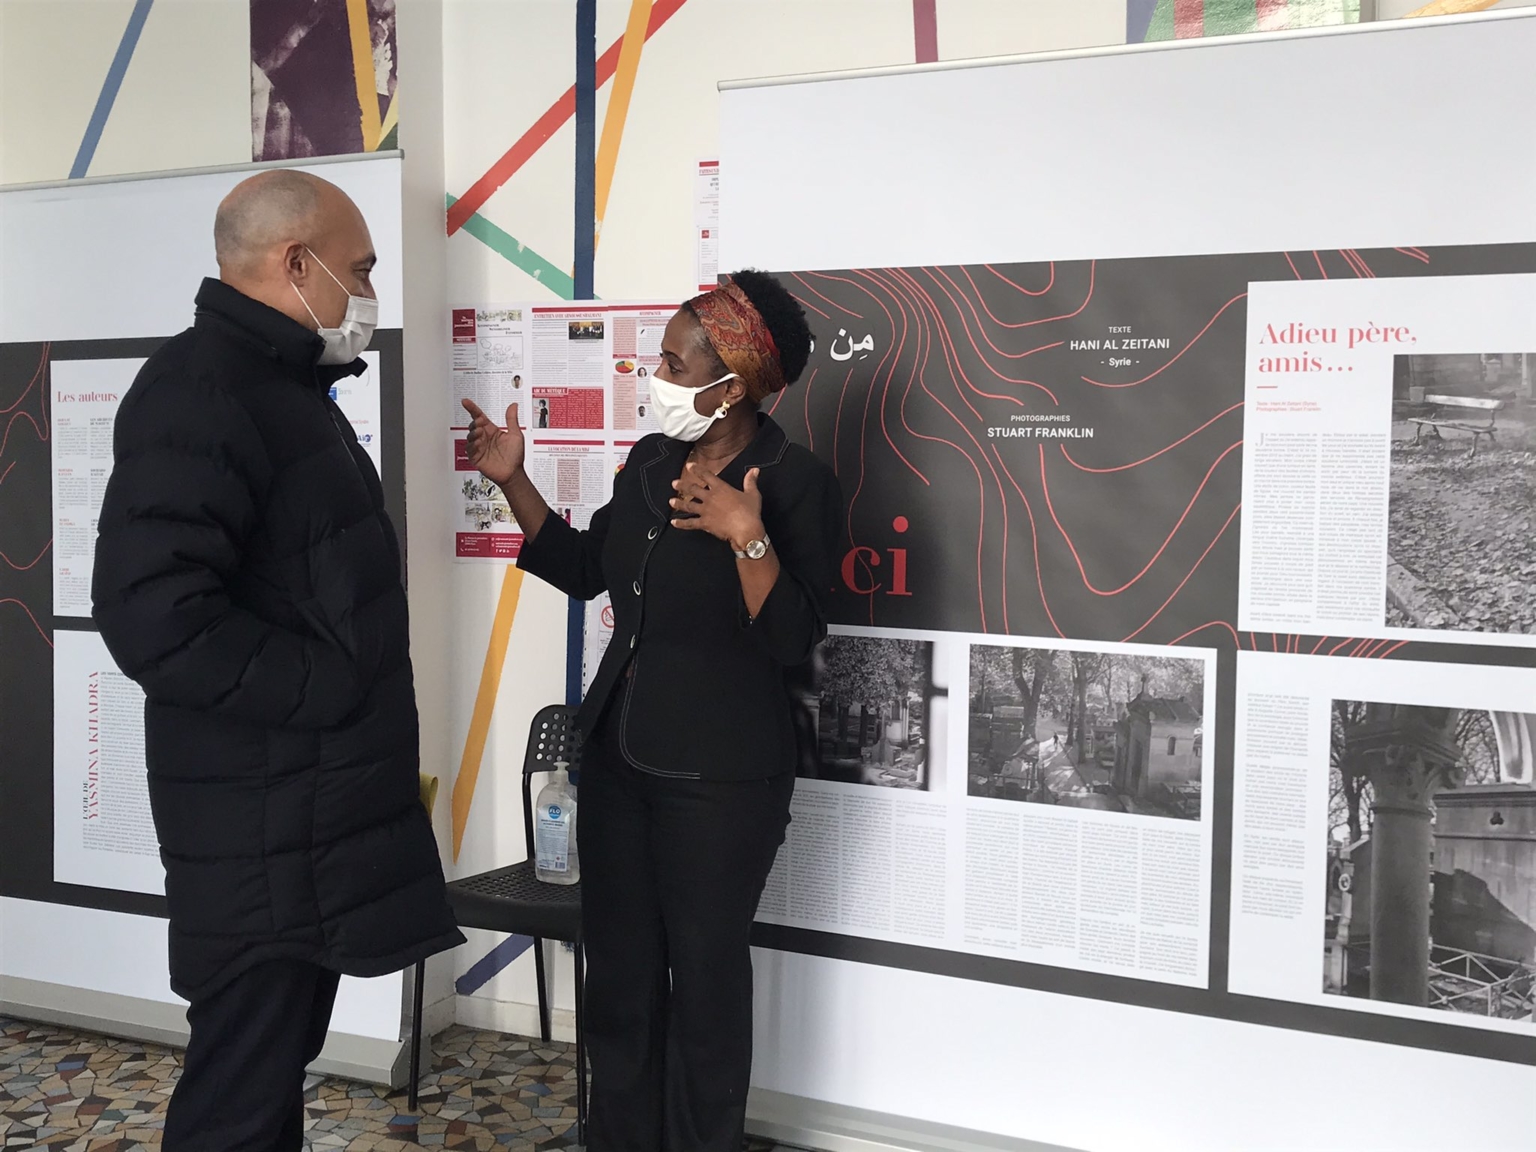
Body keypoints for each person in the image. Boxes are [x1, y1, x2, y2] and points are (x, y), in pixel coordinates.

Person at [92, 169, 463, 1152]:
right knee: (241, 1097)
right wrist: (330, 686)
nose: (369, 291)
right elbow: (155, 617)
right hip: (259, 829)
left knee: (265, 1076)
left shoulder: (284, 388)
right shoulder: (202, 391)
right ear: (297, 263)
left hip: (303, 821)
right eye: (360, 269)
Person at [462, 271, 841, 1151]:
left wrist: (746, 534)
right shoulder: (650, 463)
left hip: (723, 782)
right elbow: (581, 567)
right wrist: (514, 482)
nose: (654, 374)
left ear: (730, 386)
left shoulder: (795, 482)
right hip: (618, 764)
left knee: (706, 986)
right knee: (620, 981)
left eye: (673, 362)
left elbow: (794, 639)